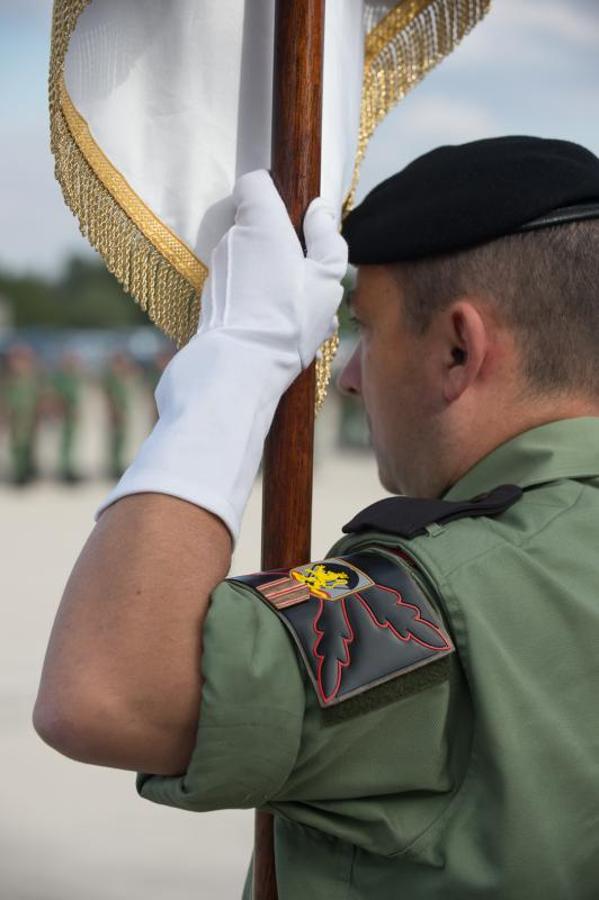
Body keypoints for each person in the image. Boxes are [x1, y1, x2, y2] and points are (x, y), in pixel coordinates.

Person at [33, 138, 599, 899]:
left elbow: (106, 694)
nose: (353, 376)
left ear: (459, 350)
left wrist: (232, 372)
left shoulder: (453, 592)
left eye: (364, 328)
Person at [2, 343, 43, 485]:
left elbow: (38, 398)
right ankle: (19, 473)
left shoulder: (32, 379)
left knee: (29, 445)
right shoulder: (10, 380)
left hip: (29, 417)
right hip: (17, 418)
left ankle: (27, 470)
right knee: (18, 445)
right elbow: (6, 400)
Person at [49, 350, 84, 483]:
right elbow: (58, 396)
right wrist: (58, 411)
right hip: (64, 414)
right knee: (64, 443)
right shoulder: (61, 378)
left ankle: (69, 468)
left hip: (71, 415)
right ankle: (64, 469)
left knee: (70, 442)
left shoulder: (73, 377)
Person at [100, 351, 133, 479]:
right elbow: (110, 397)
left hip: (121, 412)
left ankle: (117, 464)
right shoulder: (112, 379)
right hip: (115, 413)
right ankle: (113, 466)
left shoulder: (121, 377)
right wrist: (114, 412)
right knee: (114, 441)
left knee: (120, 440)